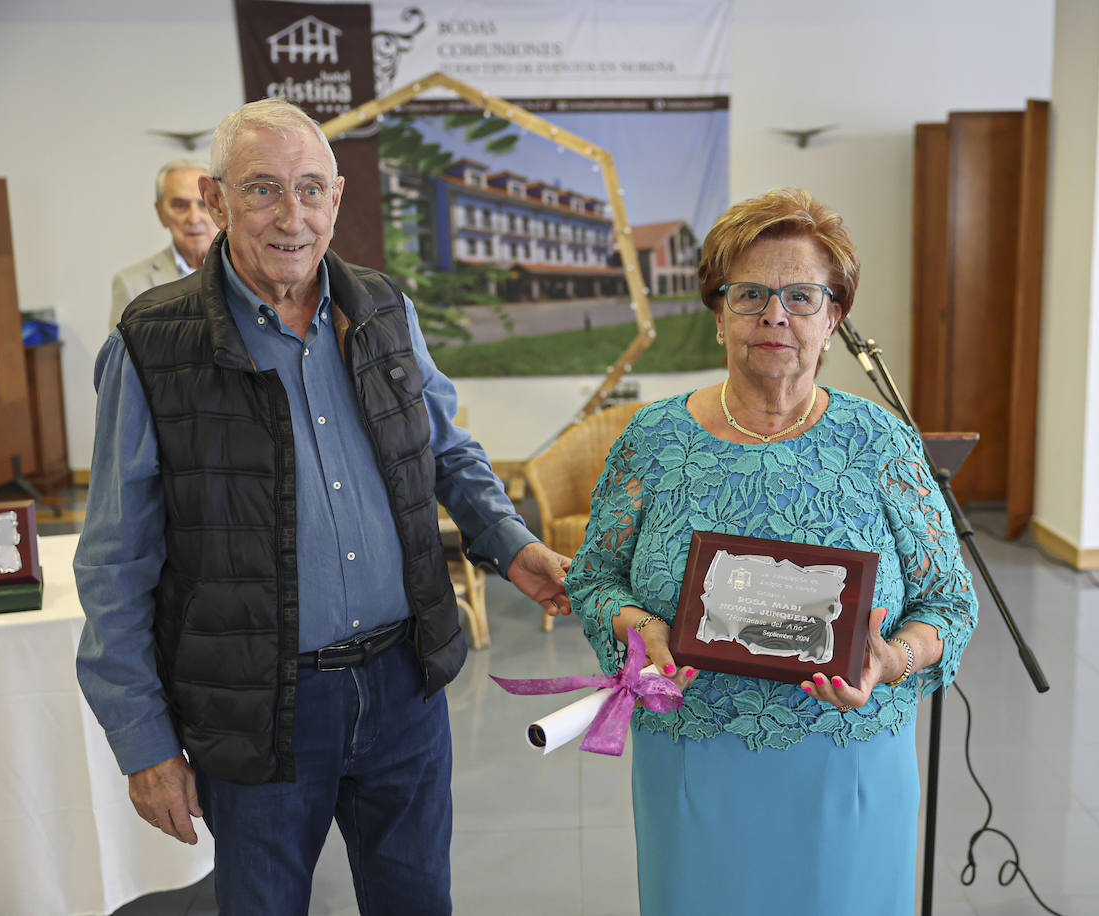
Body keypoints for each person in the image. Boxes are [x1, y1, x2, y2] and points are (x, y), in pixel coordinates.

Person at [74, 98, 572, 915]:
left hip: (403, 689)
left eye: (310, 189)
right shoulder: (150, 346)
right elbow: (114, 562)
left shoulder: (383, 309)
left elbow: (447, 450)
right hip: (258, 711)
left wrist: (512, 545)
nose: (291, 215)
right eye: (263, 188)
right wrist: (145, 743)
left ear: (337, 199)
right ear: (215, 196)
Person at [566, 187, 978, 915]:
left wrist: (893, 659)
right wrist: (641, 631)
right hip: (697, 755)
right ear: (718, 312)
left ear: (835, 318)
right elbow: (595, 578)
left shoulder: (881, 441)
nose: (775, 316)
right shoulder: (653, 440)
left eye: (802, 296)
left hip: (846, 757)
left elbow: (949, 599)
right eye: (750, 293)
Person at [109, 159, 218, 329]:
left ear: (220, 208)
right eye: (180, 205)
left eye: (203, 204)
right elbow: (121, 354)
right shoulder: (131, 284)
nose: (194, 218)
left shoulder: (248, 274)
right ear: (161, 213)